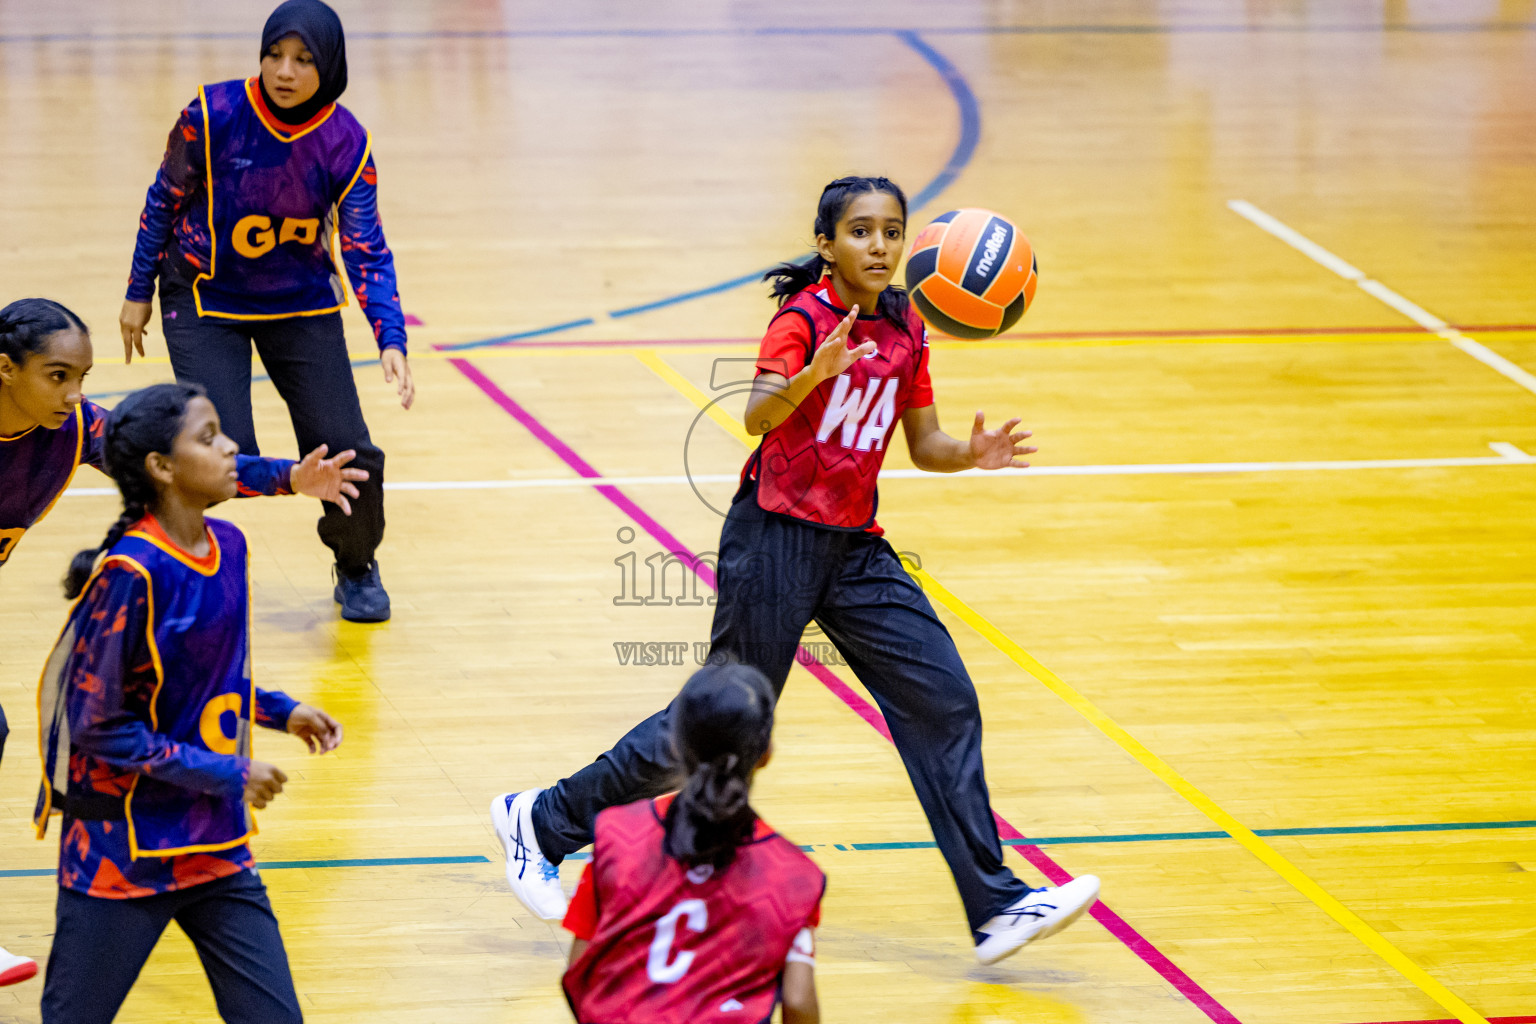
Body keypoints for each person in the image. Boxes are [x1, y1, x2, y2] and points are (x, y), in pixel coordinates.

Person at [495, 176, 1099, 966]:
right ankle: (541, 821)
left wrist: (971, 456)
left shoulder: (908, 325)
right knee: (721, 734)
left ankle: (997, 904)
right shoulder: (803, 319)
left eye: (891, 232)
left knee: (943, 696)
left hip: (854, 547)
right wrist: (818, 371)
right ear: (826, 245)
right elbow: (756, 415)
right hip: (775, 537)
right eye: (860, 232)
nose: (878, 246)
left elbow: (924, 445)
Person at [0, 297, 360, 986]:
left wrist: (291, 477)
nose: (75, 395)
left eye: (81, 376)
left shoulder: (70, 429)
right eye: (56, 376)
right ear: (5, 369)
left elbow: (166, 454)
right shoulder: (128, 578)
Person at [119, 0, 411, 622]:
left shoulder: (345, 140)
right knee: (215, 450)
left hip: (301, 303)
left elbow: (364, 248)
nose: (285, 70)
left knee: (349, 454)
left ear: (328, 67)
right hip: (203, 299)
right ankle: (163, 567)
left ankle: (356, 565)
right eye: (274, 54)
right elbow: (162, 200)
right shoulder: (212, 113)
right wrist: (137, 291)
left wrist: (391, 335)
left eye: (304, 60)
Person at [555, 663, 822, 1024]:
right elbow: (799, 1000)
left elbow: (579, 973)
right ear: (766, 752)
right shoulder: (794, 874)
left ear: (675, 745)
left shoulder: (616, 835)